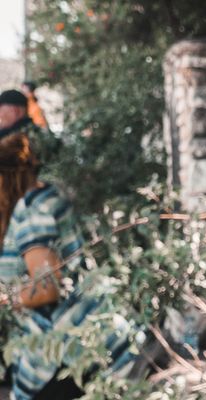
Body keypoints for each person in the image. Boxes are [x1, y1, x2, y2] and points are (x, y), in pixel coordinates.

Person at [0, 133, 134, 399]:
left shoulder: (32, 212)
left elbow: (46, 288)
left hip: (65, 350)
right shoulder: (48, 195)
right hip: (87, 335)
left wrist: (6, 299)